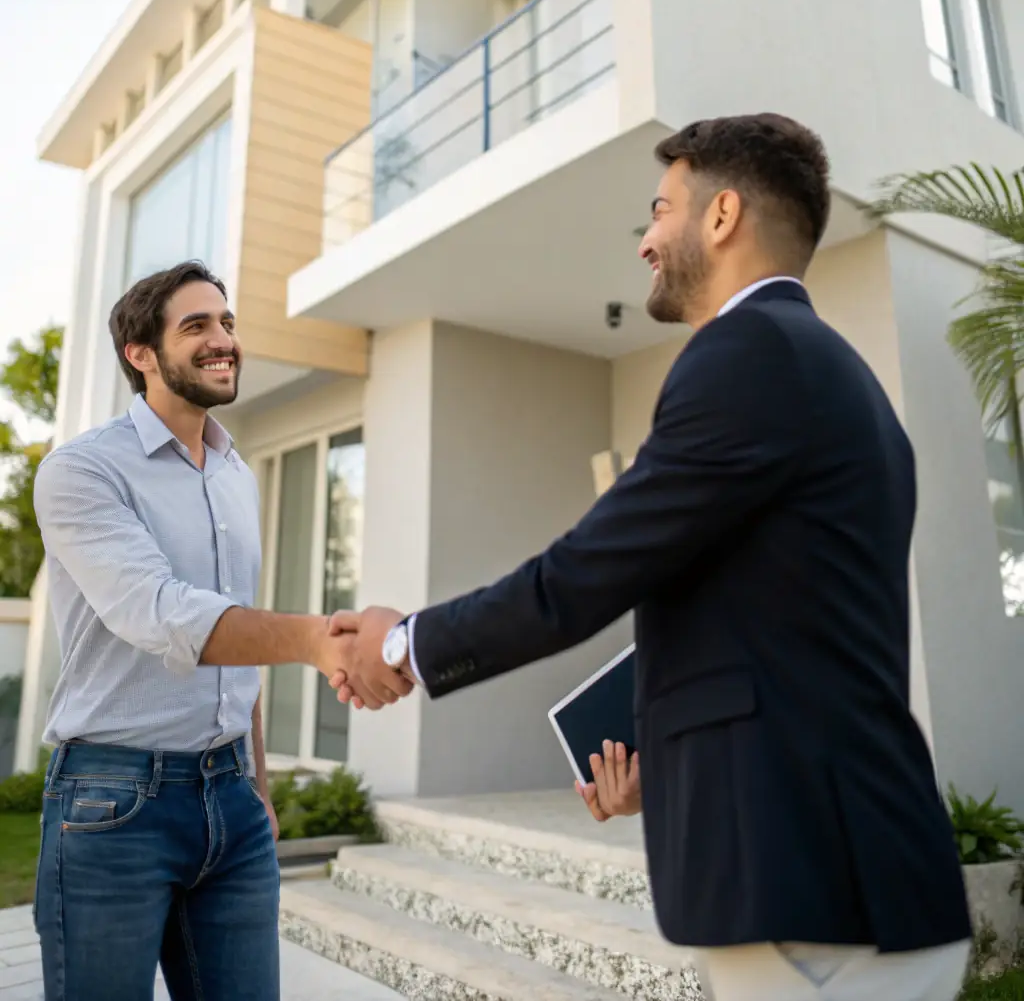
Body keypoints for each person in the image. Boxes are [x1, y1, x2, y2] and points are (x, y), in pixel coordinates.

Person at [327, 114, 973, 1001]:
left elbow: (582, 574)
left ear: (722, 217)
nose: (645, 241)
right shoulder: (838, 375)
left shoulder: (745, 355)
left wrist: (402, 643)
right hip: (859, 882)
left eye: (660, 209)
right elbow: (788, 637)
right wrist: (670, 769)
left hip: (817, 908)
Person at [32, 260, 362, 1001]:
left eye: (228, 322)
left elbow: (231, 645)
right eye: (197, 326)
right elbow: (160, 611)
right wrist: (314, 638)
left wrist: (258, 787)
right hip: (112, 804)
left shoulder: (235, 472)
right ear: (141, 353)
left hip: (231, 801)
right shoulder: (81, 471)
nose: (224, 340)